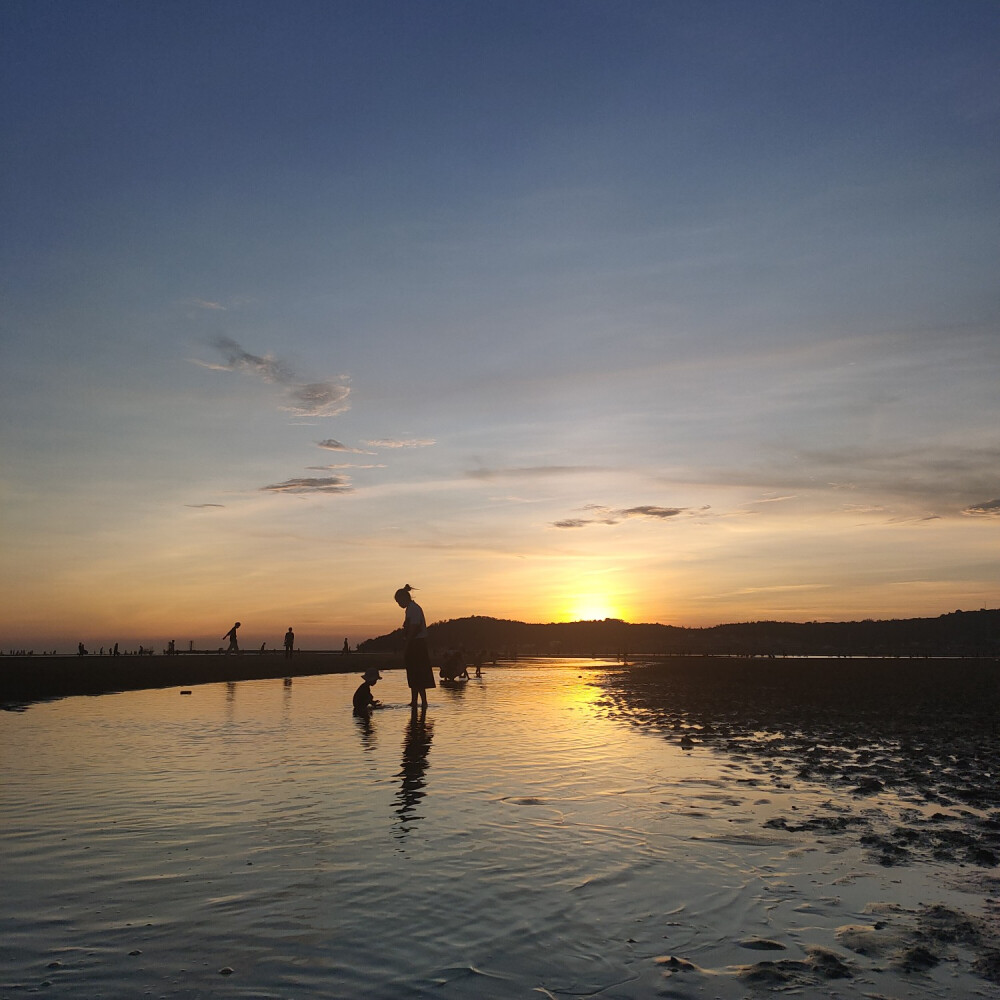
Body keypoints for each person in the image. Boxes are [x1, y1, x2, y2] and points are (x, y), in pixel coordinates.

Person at [394, 584, 435, 708]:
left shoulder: (414, 608)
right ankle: (414, 701)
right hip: (415, 643)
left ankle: (423, 702)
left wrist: (407, 645)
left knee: (418, 674)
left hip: (417, 644)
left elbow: (414, 628)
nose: (398, 604)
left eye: (398, 601)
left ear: (403, 598)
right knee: (413, 673)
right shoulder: (410, 609)